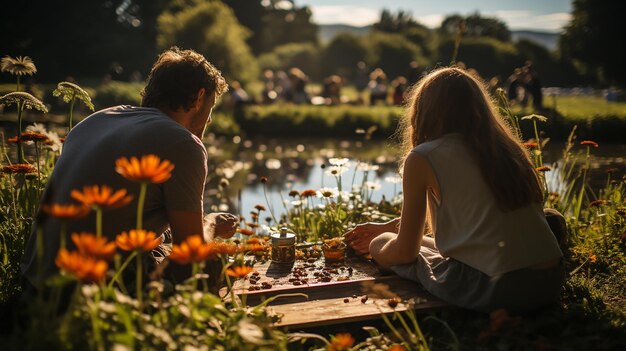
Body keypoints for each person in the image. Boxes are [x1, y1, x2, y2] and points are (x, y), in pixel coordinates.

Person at [344, 67, 566, 315]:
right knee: (398, 239)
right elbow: (473, 222)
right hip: (548, 282)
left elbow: (406, 253)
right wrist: (393, 225)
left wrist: (385, 241)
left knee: (380, 244)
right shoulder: (507, 148)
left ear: (423, 111)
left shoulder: (424, 156)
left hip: (498, 289)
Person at [20, 47, 239, 293]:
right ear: (199, 97)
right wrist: (210, 223)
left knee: (160, 243)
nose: (208, 121)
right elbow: (191, 251)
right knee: (212, 262)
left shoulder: (97, 119)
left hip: (33, 285)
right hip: (85, 295)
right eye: (210, 110)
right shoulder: (184, 143)